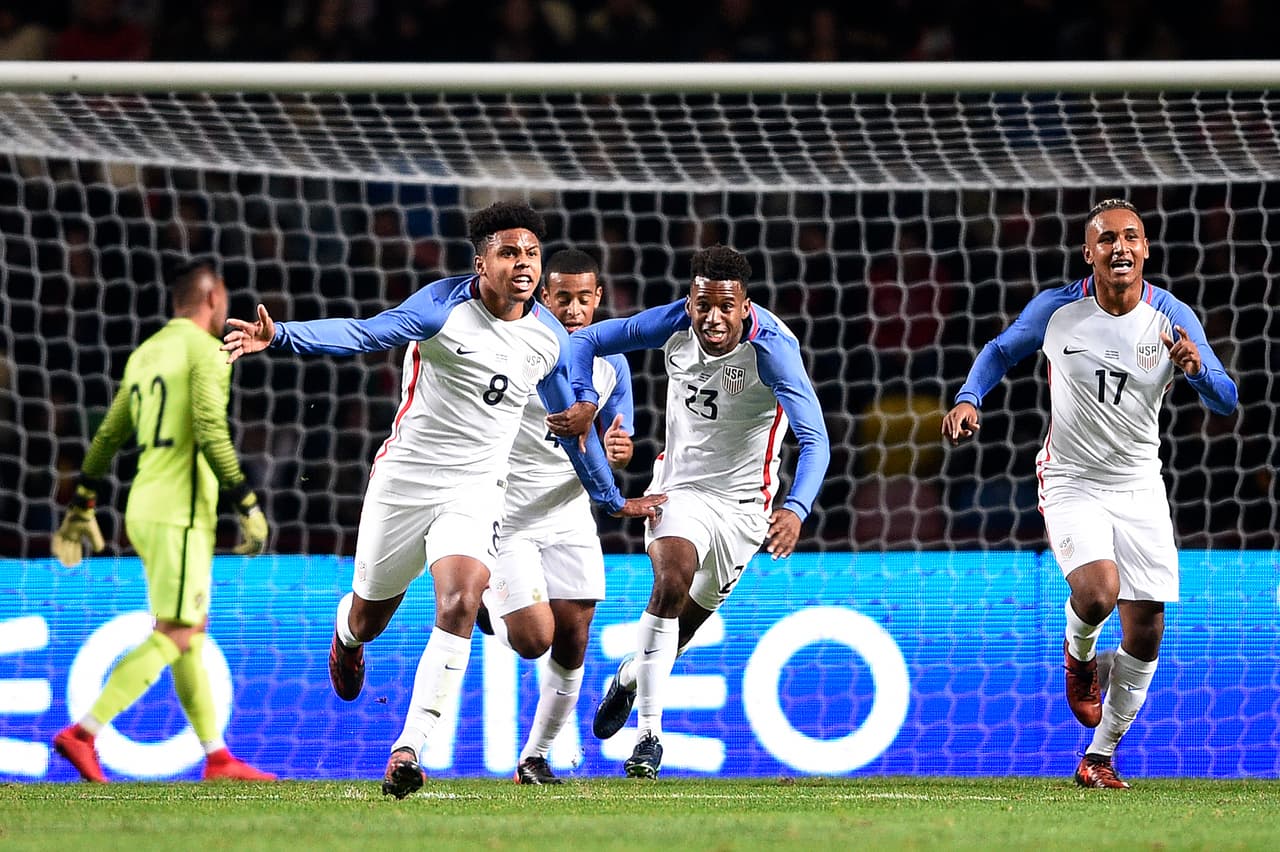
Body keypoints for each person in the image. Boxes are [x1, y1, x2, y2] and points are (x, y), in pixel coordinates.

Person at [221, 201, 664, 798]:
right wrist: (281, 336)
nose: (524, 264)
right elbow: (364, 332)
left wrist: (609, 498)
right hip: (403, 484)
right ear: (481, 261)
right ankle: (347, 636)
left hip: (477, 492)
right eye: (510, 253)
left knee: (460, 599)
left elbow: (571, 428)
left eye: (531, 253)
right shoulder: (441, 308)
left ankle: (409, 749)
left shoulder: (549, 337)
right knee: (369, 615)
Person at [941, 199, 1238, 789]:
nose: (1119, 248)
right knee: (1099, 592)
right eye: (1107, 240)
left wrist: (1196, 368)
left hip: (1140, 485)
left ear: (1146, 250)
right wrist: (969, 396)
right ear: (1089, 253)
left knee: (1147, 629)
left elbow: (1227, 398)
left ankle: (1098, 758)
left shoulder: (1171, 317)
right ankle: (1079, 660)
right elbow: (1002, 350)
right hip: (1072, 478)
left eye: (1131, 238)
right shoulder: (1058, 309)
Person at [547, 244, 831, 778]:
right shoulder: (673, 323)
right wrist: (585, 399)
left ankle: (631, 678)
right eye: (703, 305)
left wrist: (794, 508)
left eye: (725, 306)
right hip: (678, 489)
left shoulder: (773, 350)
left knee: (682, 630)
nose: (712, 318)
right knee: (671, 578)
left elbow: (816, 440)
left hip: (745, 507)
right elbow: (585, 341)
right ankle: (649, 738)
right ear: (691, 300)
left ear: (745, 305)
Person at [51, 259, 274, 784]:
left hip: (144, 504)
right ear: (214, 300)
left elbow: (109, 434)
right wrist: (246, 502)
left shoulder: (146, 352)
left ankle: (217, 758)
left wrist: (83, 499)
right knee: (176, 631)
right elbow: (208, 426)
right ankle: (84, 732)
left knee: (189, 633)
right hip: (179, 510)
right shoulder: (210, 350)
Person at [475, 248, 635, 785]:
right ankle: (483, 601)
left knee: (574, 634)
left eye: (582, 298)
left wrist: (619, 447)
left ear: (597, 300)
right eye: (561, 297)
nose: (572, 308)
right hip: (510, 515)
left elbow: (619, 434)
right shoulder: (522, 350)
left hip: (569, 512)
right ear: (545, 296)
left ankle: (535, 757)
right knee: (533, 639)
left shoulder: (614, 365)